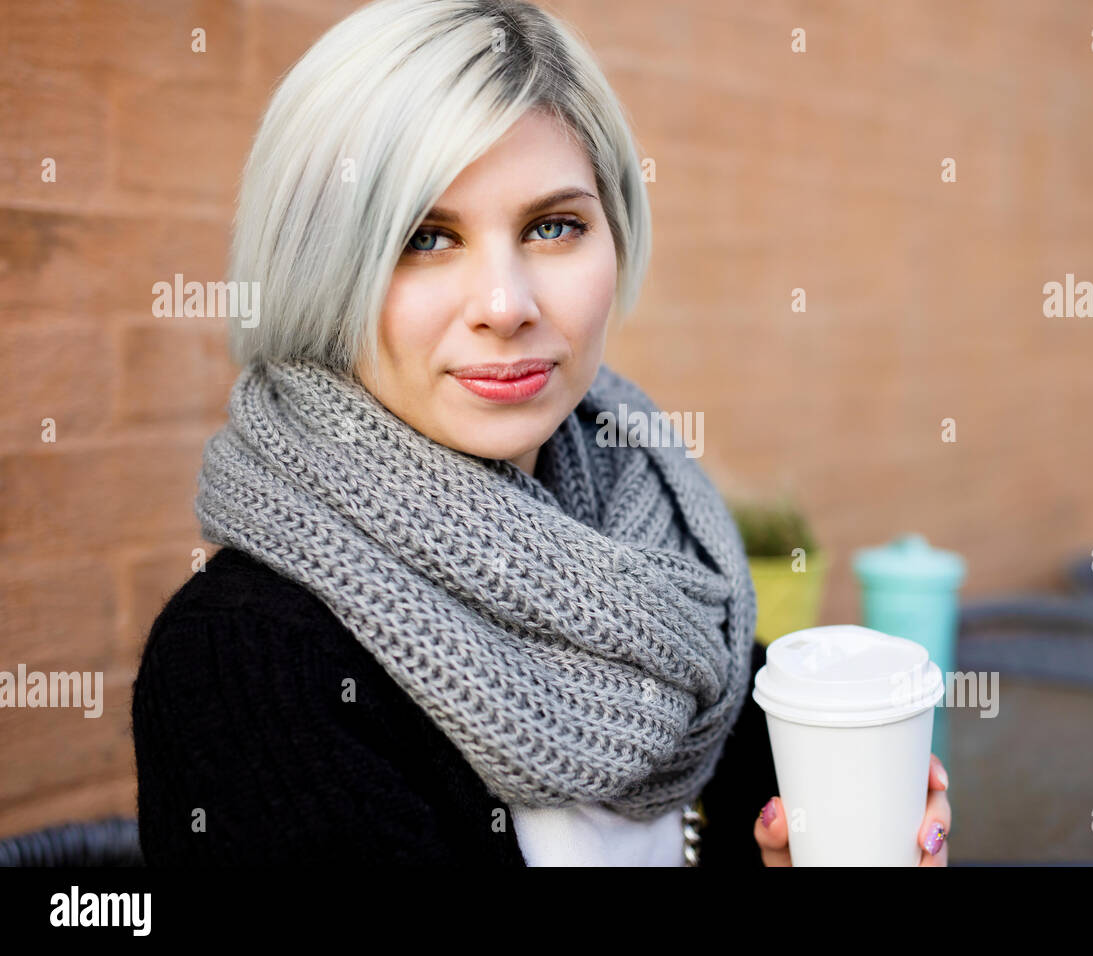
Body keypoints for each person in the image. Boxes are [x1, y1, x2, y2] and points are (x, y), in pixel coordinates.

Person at [130, 0, 951, 867]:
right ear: (318, 269)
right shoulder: (246, 661)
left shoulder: (672, 568)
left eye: (553, 226)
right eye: (425, 238)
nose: (506, 305)